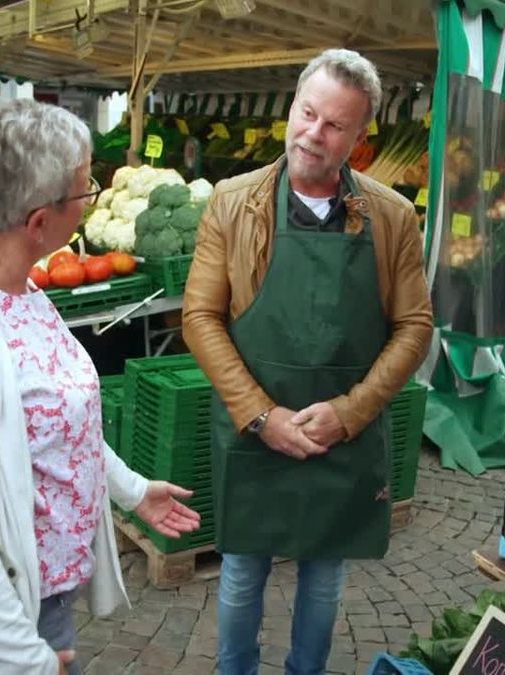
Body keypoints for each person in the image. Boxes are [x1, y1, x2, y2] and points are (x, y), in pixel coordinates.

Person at [0, 98, 202, 675]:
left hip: (43, 595)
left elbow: (57, 422)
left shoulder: (18, 290)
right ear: (38, 221)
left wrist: (131, 490)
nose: (92, 200)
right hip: (3, 615)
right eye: (86, 191)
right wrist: (21, 657)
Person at [182, 49, 433, 675]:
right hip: (254, 430)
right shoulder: (233, 204)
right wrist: (261, 414)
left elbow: (414, 326)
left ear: (359, 135)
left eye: (333, 126)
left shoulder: (393, 217)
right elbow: (199, 317)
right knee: (241, 572)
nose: (312, 135)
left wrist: (351, 412)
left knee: (324, 576)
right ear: (292, 106)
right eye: (307, 113)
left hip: (337, 438)